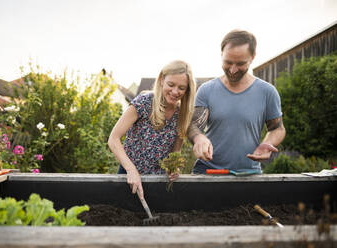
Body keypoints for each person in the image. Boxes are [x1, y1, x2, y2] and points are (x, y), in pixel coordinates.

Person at [188, 30, 286, 174]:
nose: (233, 70)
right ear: (221, 54)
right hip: (208, 173)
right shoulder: (206, 90)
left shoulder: (267, 92)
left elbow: (277, 128)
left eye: (240, 64)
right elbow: (193, 126)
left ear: (253, 57)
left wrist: (267, 143)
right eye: (228, 62)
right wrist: (198, 137)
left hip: (248, 174)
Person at [108, 60, 196, 199]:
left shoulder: (182, 114)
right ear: (162, 80)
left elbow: (175, 151)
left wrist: (173, 168)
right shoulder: (144, 102)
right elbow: (113, 139)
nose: (175, 92)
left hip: (158, 181)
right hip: (129, 177)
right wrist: (131, 170)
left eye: (181, 88)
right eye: (171, 85)